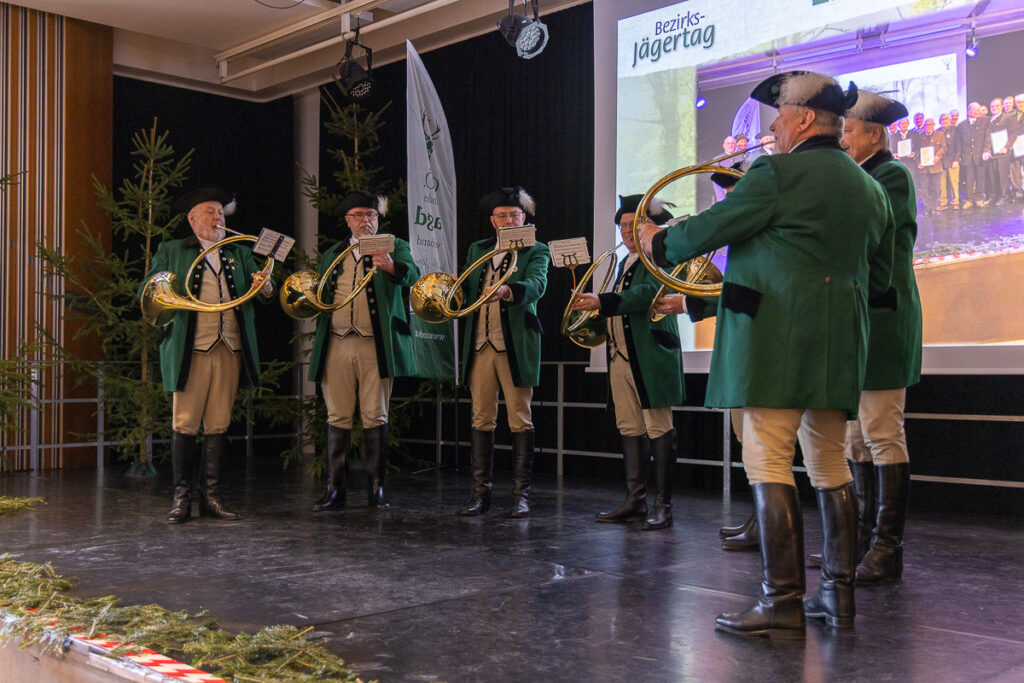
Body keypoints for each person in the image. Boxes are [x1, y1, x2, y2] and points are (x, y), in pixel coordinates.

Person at [638, 71, 895, 638]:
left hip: (775, 343)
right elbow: (880, 277)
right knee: (830, 466)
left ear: (803, 119)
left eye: (778, 116)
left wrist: (657, 239)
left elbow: (703, 233)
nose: (773, 126)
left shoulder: (774, 173)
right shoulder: (869, 187)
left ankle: (780, 600)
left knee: (768, 460)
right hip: (839, 347)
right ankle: (837, 597)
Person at [830, 91, 922, 585]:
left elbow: (868, 232)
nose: (841, 140)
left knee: (883, 434)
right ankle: (862, 540)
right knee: (855, 438)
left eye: (847, 131)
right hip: (858, 321)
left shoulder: (891, 175)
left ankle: (888, 548)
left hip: (885, 319)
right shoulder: (861, 174)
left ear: (874, 134)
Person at [143, 187, 274, 524]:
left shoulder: (238, 251)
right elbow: (149, 290)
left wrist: (265, 285)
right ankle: (181, 498)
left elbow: (261, 292)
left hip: (229, 346)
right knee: (185, 423)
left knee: (218, 423)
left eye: (220, 211)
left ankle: (211, 497)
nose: (218, 217)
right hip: (191, 349)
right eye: (210, 212)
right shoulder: (173, 250)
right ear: (192, 219)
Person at [571, 195, 683, 531]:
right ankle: (636, 500)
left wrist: (602, 301)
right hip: (621, 355)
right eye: (622, 226)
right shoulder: (626, 262)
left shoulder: (661, 255)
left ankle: (663, 505)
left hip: (651, 355)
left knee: (659, 427)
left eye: (633, 225)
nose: (626, 232)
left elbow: (647, 295)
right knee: (630, 427)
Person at [306, 191, 421, 511]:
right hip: (338, 344)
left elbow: (414, 276)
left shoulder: (394, 246)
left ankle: (376, 488)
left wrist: (391, 265)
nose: (365, 220)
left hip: (375, 345)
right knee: (337, 415)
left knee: (375, 415)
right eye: (358, 215)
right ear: (348, 221)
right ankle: (335, 490)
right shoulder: (333, 254)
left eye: (371, 215)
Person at [458, 187, 551, 518]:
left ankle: (520, 495)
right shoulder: (478, 249)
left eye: (515, 215)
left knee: (519, 418)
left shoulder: (536, 249)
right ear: (493, 221)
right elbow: (468, 287)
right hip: (481, 343)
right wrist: (454, 287)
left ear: (524, 218)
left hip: (516, 345)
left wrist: (510, 290)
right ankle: (480, 494)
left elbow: (538, 284)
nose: (509, 220)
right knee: (481, 417)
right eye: (503, 216)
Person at [958, 102, 992, 209]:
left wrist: (986, 150)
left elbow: (988, 137)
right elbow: (959, 143)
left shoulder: (986, 121)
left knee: (980, 178)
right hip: (967, 156)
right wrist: (958, 157)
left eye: (978, 110)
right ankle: (969, 199)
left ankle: (979, 198)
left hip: (980, 155)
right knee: (969, 179)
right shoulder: (961, 125)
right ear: (969, 111)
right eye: (974, 110)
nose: (977, 112)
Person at [915, 118, 946, 215]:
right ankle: (926, 208)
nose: (928, 126)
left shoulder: (940, 134)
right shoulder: (919, 136)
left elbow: (944, 148)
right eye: (926, 124)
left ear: (934, 125)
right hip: (923, 167)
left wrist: (938, 156)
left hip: (936, 166)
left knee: (936, 188)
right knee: (924, 189)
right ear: (924, 126)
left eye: (930, 124)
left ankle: (933, 207)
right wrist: (918, 162)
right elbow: (916, 150)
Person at [938, 113, 960, 210]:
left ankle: (955, 201)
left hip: (952, 160)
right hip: (941, 161)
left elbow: (959, 147)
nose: (944, 121)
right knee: (942, 183)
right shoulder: (937, 131)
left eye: (946, 119)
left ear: (950, 120)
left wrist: (956, 160)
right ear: (940, 121)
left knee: (954, 182)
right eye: (942, 119)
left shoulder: (955, 130)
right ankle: (943, 202)